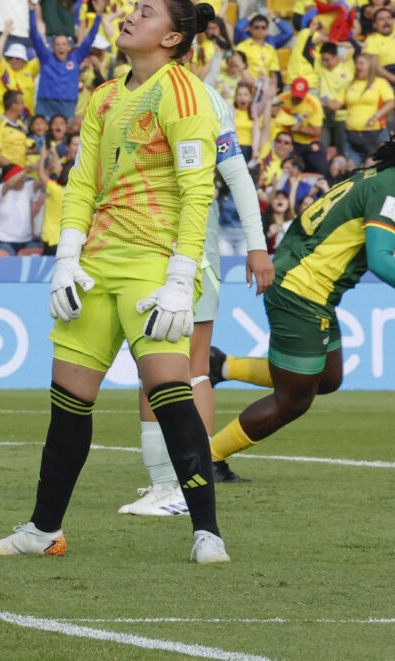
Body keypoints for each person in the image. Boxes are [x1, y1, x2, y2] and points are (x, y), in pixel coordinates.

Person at [0, 0, 229, 564]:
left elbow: (197, 191)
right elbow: (83, 181)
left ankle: (206, 530)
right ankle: (43, 531)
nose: (130, 15)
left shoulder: (186, 94)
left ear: (171, 38)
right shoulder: (106, 95)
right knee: (69, 399)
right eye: (132, 7)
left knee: (169, 392)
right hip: (95, 265)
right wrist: (65, 257)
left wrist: (180, 275)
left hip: (153, 264)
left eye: (146, 12)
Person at [119, 82, 276, 517]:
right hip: (140, 246)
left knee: (191, 368)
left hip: (191, 249)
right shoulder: (127, 92)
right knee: (159, 367)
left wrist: (257, 244)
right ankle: (168, 485)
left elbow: (237, 174)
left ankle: (182, 485)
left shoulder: (206, 98)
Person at [209, 141, 395, 475]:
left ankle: (221, 366)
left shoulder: (376, 176)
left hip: (306, 282)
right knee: (293, 401)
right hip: (304, 290)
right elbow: (382, 260)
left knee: (327, 377)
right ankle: (207, 458)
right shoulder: (390, 187)